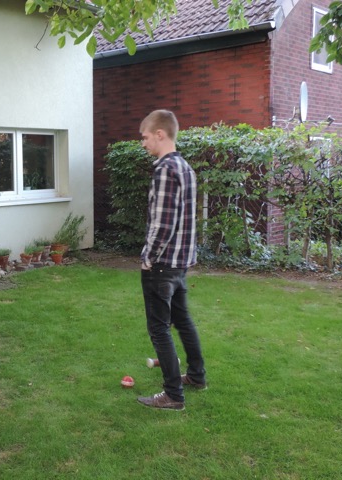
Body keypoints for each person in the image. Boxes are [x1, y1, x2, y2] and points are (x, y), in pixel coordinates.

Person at [135, 110, 206, 410]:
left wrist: (147, 257)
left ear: (160, 134)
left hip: (162, 265)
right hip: (180, 264)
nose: (143, 143)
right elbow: (186, 220)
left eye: (145, 137)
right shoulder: (186, 167)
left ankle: (173, 395)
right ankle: (197, 376)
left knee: (159, 328)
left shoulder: (165, 169)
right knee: (183, 321)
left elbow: (163, 224)